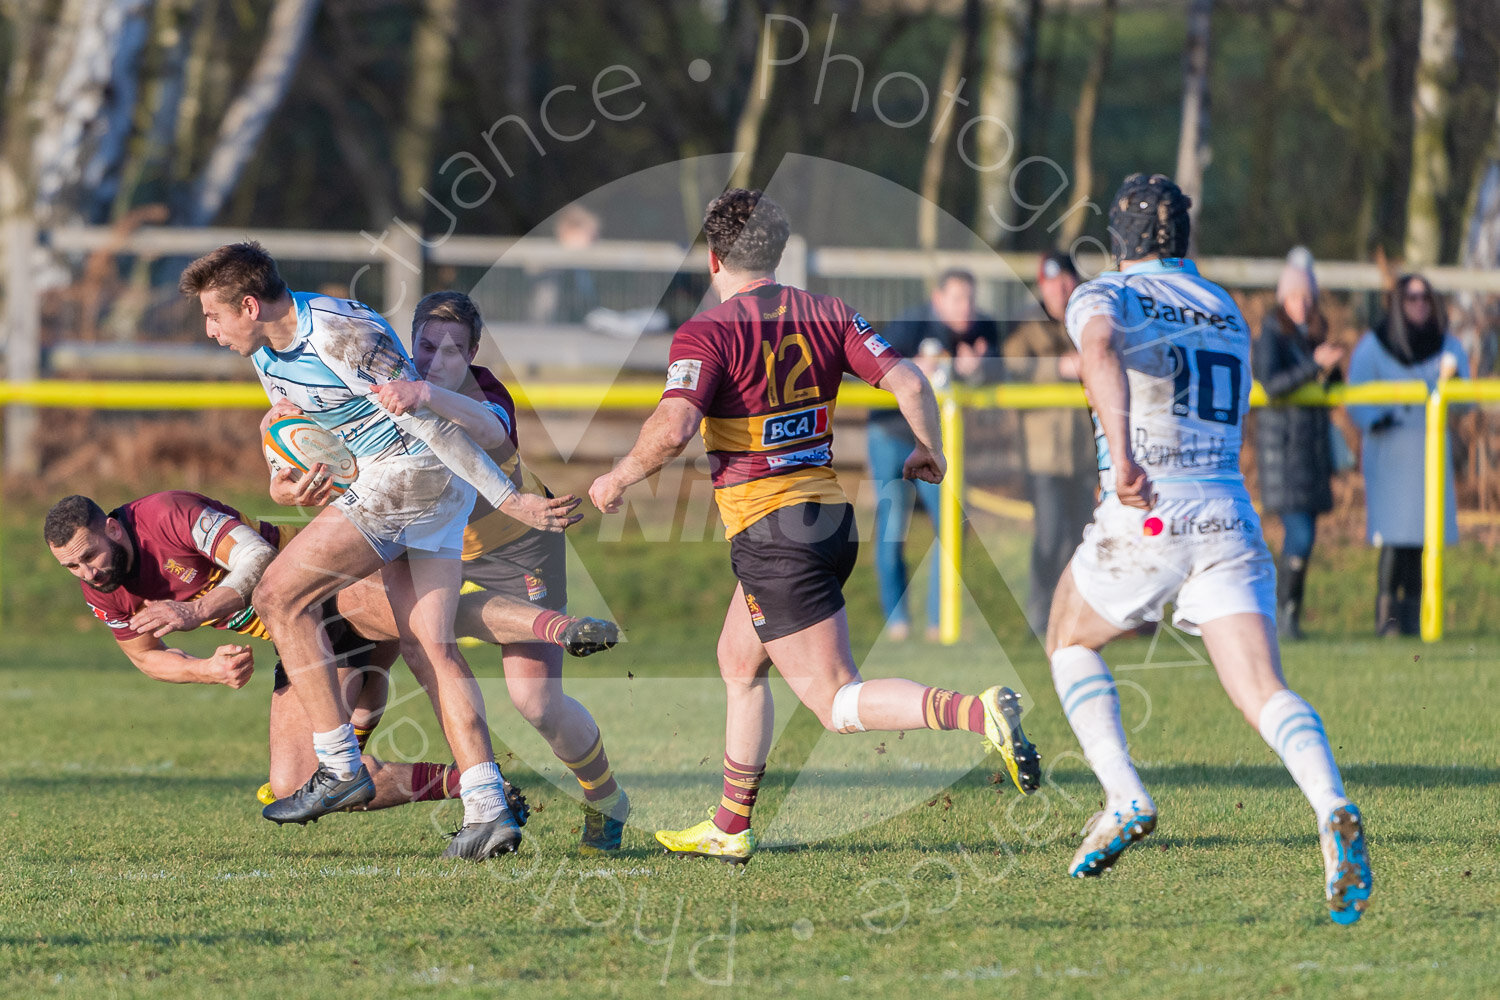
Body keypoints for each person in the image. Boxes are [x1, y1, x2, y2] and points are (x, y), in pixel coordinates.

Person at [588, 189, 1040, 865]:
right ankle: (730, 824)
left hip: (774, 535)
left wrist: (618, 477)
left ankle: (979, 713)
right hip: (827, 518)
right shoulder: (829, 312)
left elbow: (676, 427)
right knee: (738, 660)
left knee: (835, 702)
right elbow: (911, 381)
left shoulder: (707, 331)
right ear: (777, 251)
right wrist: (931, 450)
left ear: (713, 259)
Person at [180, 241, 580, 860]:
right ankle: (487, 808)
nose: (209, 330)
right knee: (429, 648)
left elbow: (428, 423)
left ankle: (341, 765)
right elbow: (290, 427)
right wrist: (286, 481)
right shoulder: (262, 349)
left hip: (412, 476)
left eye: (213, 316)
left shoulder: (342, 333)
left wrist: (508, 498)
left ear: (250, 306)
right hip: (399, 482)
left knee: (278, 596)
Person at [1044, 173, 1371, 924]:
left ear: (1118, 240)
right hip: (1228, 510)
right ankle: (1331, 804)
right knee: (1263, 689)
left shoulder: (1105, 293)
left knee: (1067, 635)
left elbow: (1100, 351)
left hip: (1149, 507)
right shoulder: (1225, 307)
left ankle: (1123, 794)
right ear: (1184, 238)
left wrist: (1122, 459)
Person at [296, 290, 631, 852]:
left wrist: (426, 394)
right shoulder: (384, 387)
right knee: (382, 618)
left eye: (451, 351)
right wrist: (298, 479)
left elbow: (491, 432)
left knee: (536, 703)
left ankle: (606, 798)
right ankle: (451, 785)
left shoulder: (482, 393)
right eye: (425, 347)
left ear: (472, 355)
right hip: (434, 550)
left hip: (517, 550)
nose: (434, 360)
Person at [39, 491, 570, 819]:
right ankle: (464, 782)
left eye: (90, 556)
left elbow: (258, 558)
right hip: (306, 645)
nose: (88, 572)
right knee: (292, 785)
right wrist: (206, 669)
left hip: (331, 586)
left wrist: (197, 611)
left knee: (429, 620)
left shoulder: (165, 516)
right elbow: (144, 656)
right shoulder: (102, 586)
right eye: (72, 568)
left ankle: (557, 625)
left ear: (112, 528)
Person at [866, 268, 1001, 640]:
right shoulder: (910, 323)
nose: (966, 307)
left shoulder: (982, 330)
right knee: (892, 528)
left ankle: (939, 622)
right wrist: (909, 370)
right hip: (890, 435)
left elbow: (1001, 374)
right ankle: (897, 621)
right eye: (957, 298)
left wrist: (978, 370)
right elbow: (872, 369)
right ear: (938, 299)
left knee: (952, 524)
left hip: (937, 443)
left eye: (970, 298)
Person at [1347, 274, 1470, 637]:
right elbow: (1355, 395)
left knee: (1422, 538)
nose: (1419, 304)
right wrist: (1374, 419)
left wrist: (1454, 385)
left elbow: (1465, 403)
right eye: (1411, 297)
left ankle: (1415, 620)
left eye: (1424, 297)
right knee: (1393, 539)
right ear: (1398, 303)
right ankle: (1387, 622)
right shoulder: (1375, 345)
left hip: (1428, 453)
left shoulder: (1447, 345)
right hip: (1391, 452)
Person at [1252, 248, 1345, 641]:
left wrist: (1331, 369)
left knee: (1305, 539)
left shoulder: (1312, 336)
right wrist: (1314, 366)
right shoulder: (1271, 336)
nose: (1302, 304)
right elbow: (1271, 385)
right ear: (1282, 297)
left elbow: (1330, 389)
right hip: (1283, 453)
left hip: (1311, 453)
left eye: (1307, 297)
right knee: (1300, 536)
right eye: (1294, 296)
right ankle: (1279, 615)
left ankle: (1288, 616)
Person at [1001, 251, 1096, 633]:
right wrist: (1056, 367)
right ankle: (1039, 617)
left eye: (1067, 281)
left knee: (1080, 540)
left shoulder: (1088, 320)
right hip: (1043, 456)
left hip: (1084, 454)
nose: (1061, 290)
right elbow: (1010, 365)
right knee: (1049, 537)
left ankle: (1073, 617)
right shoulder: (1026, 326)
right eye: (1053, 283)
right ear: (1042, 287)